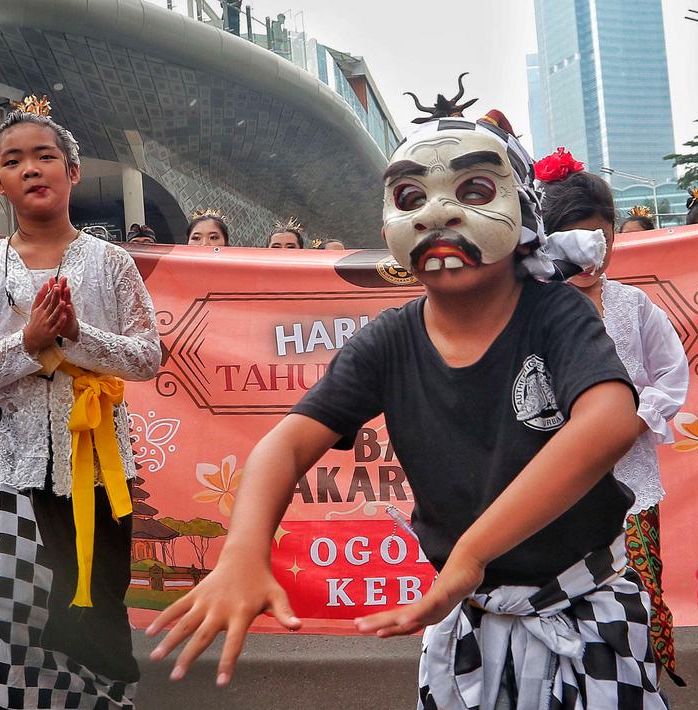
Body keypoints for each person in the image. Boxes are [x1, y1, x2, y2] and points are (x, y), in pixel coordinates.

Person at [149, 102, 669, 708]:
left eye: (474, 189)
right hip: (467, 620)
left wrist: (471, 554)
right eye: (409, 196)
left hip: (582, 615)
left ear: (523, 208)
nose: (438, 215)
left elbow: (606, 421)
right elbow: (286, 444)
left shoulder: (555, 312)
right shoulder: (390, 339)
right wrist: (242, 552)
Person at [0, 96, 161, 709]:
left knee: (94, 602)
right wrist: (28, 344)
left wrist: (76, 339)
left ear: (73, 171)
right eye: (15, 160)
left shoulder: (112, 264)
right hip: (8, 471)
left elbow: (148, 357)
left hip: (97, 468)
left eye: (45, 156)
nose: (32, 168)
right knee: (9, 611)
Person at [536, 150, 690, 684]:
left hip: (628, 484)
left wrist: (629, 422)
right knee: (558, 607)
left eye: (603, 241)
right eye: (577, 243)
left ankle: (637, 684)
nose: (592, 258)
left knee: (634, 599)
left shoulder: (635, 306)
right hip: (549, 487)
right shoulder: (528, 308)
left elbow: (671, 375)